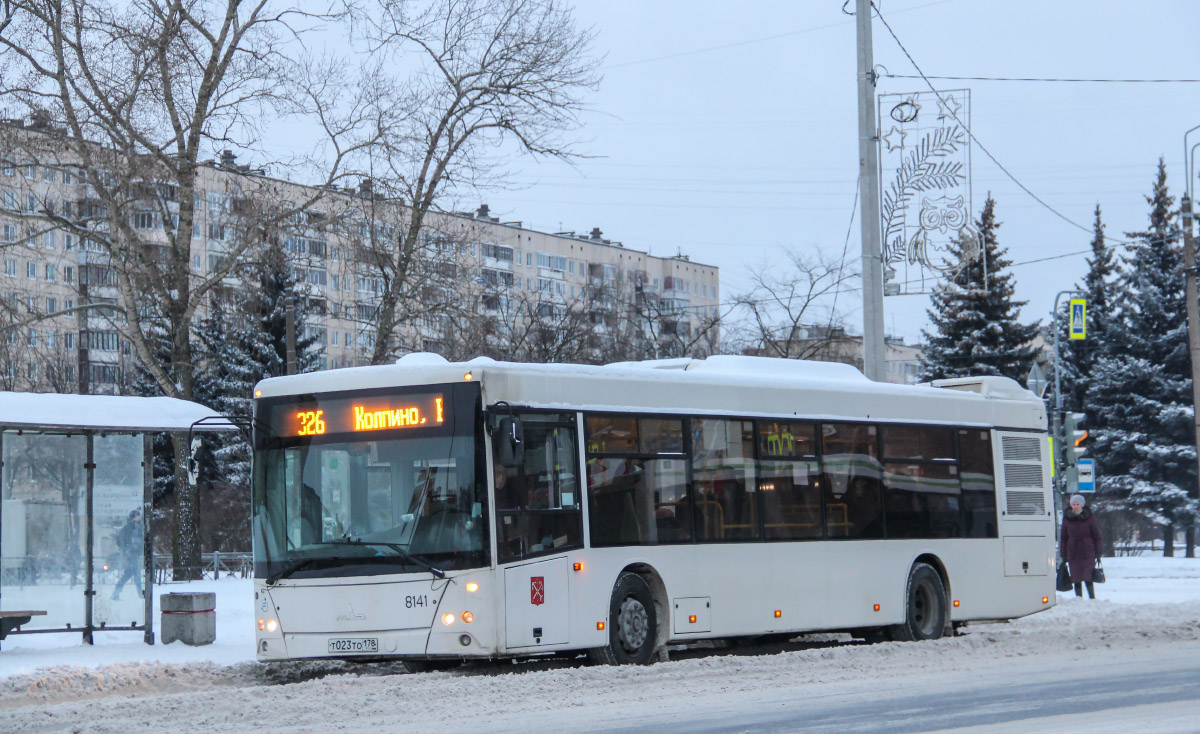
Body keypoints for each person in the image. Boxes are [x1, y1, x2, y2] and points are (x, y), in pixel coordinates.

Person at [1060, 494, 1102, 599]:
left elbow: (1096, 536)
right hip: (1073, 552)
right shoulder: (1067, 519)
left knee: (1088, 576)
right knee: (1076, 577)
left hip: (1088, 551)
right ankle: (1079, 599)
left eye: (1077, 504)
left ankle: (1092, 598)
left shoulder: (1089, 518)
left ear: (1082, 505)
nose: (1075, 506)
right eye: (1073, 504)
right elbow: (1063, 538)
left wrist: (1098, 551)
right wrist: (1063, 554)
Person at [112, 510, 143, 601]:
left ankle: (116, 593)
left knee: (127, 575)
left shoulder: (135, 527)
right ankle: (141, 595)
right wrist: (128, 550)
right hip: (131, 555)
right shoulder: (129, 528)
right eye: (138, 516)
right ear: (134, 517)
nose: (140, 518)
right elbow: (121, 541)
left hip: (132, 555)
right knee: (136, 575)